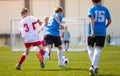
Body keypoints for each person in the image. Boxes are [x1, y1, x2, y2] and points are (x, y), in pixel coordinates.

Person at [87, 0, 111, 75]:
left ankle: (93, 66)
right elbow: (110, 20)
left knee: (90, 48)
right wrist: (105, 27)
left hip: (92, 31)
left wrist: (93, 31)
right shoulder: (105, 9)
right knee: (98, 48)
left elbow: (92, 19)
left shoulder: (91, 9)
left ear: (92, 1)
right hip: (102, 32)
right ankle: (94, 65)